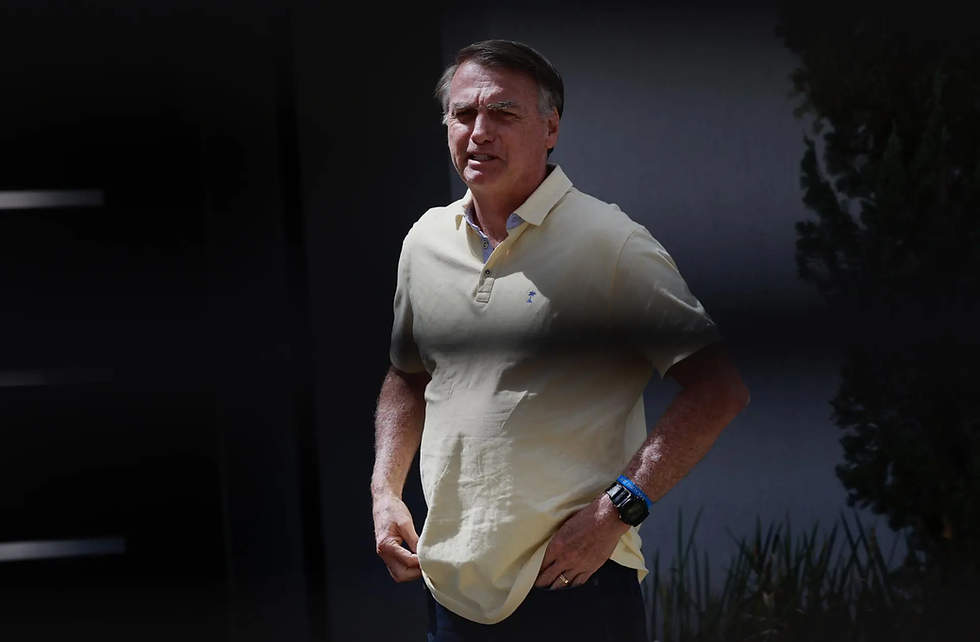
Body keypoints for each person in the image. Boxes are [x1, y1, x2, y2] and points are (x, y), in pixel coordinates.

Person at [371, 39, 750, 642]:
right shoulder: (424, 241)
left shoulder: (612, 244)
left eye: (503, 112)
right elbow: (407, 376)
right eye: (463, 113)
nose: (479, 132)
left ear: (550, 128)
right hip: (451, 588)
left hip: (575, 583)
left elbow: (717, 390)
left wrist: (615, 512)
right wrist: (385, 490)